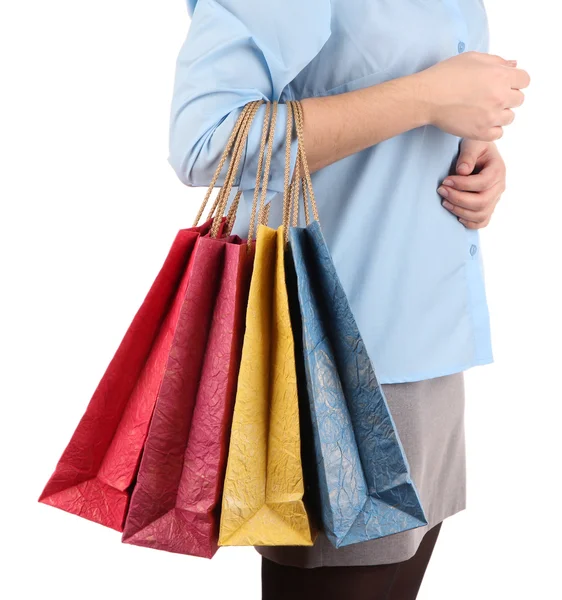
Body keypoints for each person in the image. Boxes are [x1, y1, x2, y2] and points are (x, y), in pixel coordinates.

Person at [167, 1, 530, 598]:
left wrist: (471, 159)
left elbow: (376, 92)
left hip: (429, 345)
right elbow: (205, 141)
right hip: (333, 361)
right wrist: (426, 98)